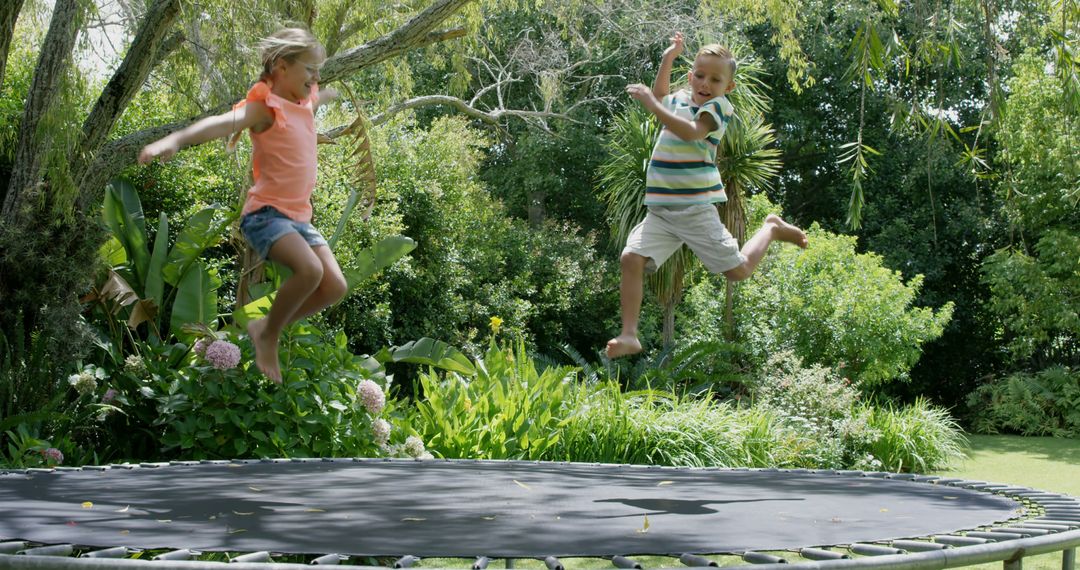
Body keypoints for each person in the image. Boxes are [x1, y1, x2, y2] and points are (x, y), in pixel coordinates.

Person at [139, 28, 345, 383]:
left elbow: (314, 99)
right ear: (282, 66)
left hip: (299, 218)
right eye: (310, 69)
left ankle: (268, 323)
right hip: (266, 216)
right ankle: (268, 336)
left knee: (334, 287)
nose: (316, 77)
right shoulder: (264, 107)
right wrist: (175, 139)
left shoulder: (302, 103)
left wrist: (324, 95)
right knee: (310, 272)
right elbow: (220, 124)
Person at [606, 32, 808, 359]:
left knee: (738, 271)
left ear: (728, 88)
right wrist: (669, 56)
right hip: (661, 212)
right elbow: (660, 95)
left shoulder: (718, 108)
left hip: (695, 210)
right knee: (630, 258)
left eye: (715, 79)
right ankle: (629, 334)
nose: (705, 83)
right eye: (699, 76)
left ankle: (770, 228)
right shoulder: (678, 100)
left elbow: (690, 133)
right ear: (690, 77)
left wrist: (651, 105)